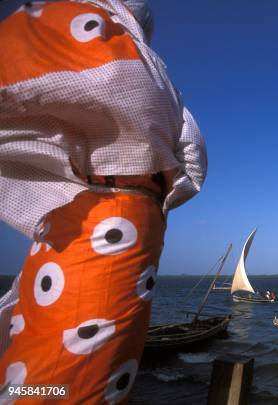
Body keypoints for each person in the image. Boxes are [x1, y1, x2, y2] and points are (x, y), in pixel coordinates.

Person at [0, 0, 205, 403]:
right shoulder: (91, 35)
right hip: (105, 216)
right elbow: (191, 156)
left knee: (86, 352)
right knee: (72, 366)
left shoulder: (144, 64)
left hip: (122, 219)